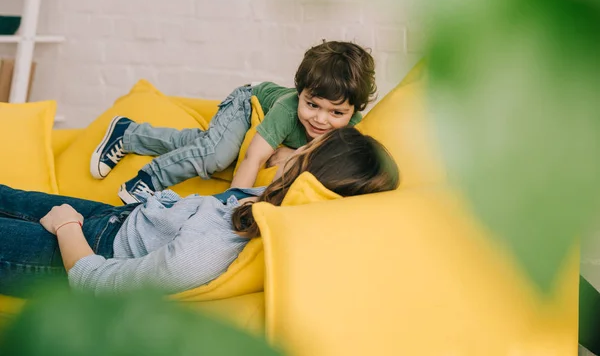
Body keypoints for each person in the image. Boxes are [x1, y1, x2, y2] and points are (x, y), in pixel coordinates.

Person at [0, 127, 399, 297]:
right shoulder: (274, 201)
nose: (297, 147)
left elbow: (98, 285)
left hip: (87, 251)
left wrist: (68, 226)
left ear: (311, 171)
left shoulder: (211, 250)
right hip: (118, 221)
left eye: (307, 150)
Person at [90, 40, 377, 204]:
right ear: (300, 93)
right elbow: (253, 159)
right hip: (247, 102)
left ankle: (128, 133)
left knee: (203, 145)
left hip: (263, 122)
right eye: (312, 105)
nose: (320, 119)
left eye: (336, 113)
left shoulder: (352, 130)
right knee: (216, 156)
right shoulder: (288, 109)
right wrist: (230, 208)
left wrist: (293, 153)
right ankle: (147, 179)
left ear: (354, 111)